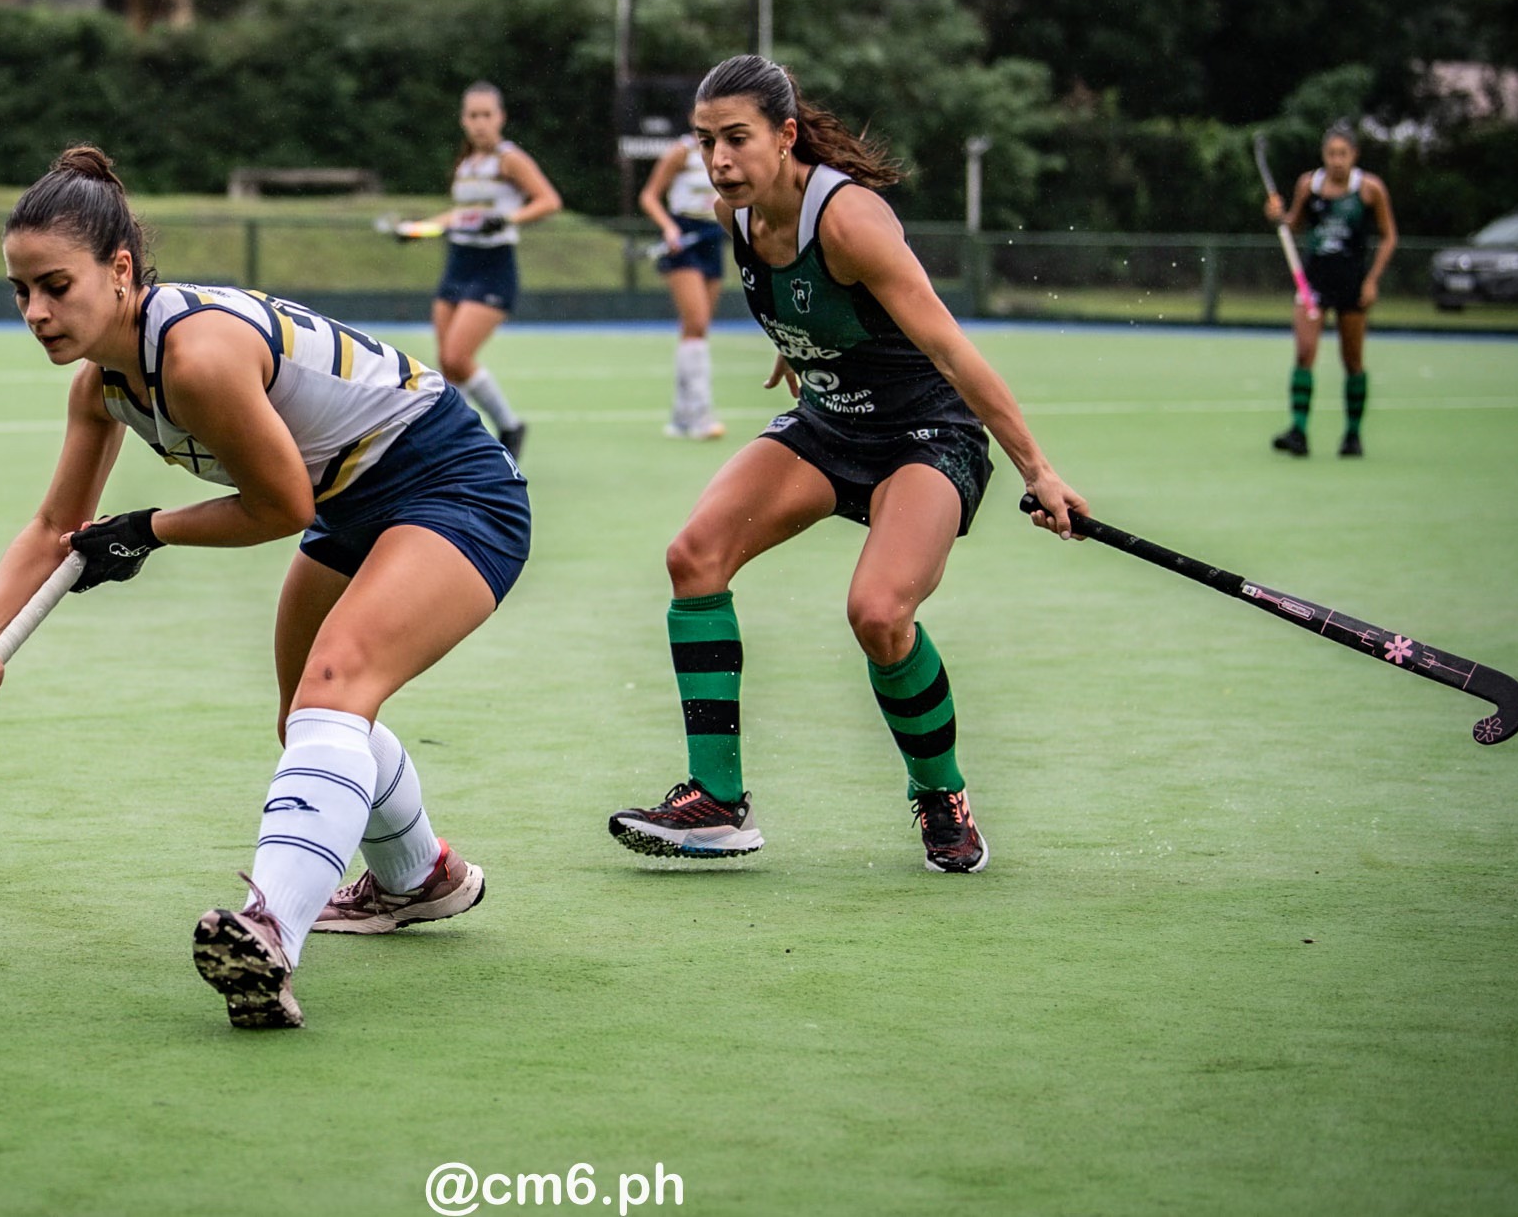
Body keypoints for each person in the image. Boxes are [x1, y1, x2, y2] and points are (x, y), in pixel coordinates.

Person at [0, 146, 531, 1029]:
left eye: (55, 286)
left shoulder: (196, 356)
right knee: (311, 720)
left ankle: (268, 932)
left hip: (451, 484)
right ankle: (421, 878)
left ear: (119, 270)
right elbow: (55, 527)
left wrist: (148, 529)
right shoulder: (103, 386)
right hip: (353, 501)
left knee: (333, 691)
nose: (36, 313)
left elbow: (282, 506)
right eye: (21, 292)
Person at [606, 55, 1084, 873]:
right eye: (705, 141)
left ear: (786, 136)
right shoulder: (737, 215)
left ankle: (942, 794)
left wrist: (1038, 469)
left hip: (925, 434)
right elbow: (804, 300)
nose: (718, 160)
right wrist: (800, 349)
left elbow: (950, 350)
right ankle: (716, 802)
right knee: (695, 556)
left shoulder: (851, 220)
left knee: (879, 614)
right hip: (830, 426)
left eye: (736, 138)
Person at [430, 81, 562, 460]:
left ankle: (509, 426)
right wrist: (419, 229)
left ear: (500, 118)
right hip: (458, 263)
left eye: (486, 115)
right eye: (473, 115)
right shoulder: (466, 163)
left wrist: (507, 218)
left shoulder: (509, 159)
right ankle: (456, 446)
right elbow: (461, 215)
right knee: (447, 365)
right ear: (463, 120)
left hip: (493, 267)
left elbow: (549, 201)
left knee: (458, 357)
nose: (480, 123)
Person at [1263, 123, 1397, 458]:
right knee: (1304, 353)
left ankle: (1352, 435)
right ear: (1323, 155)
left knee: (1352, 360)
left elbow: (1389, 237)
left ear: (1354, 155)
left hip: (1352, 284)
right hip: (1313, 283)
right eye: (1331, 154)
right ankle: (1298, 432)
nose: (1337, 160)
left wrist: (1372, 280)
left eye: (1343, 154)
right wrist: (1277, 215)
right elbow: (1293, 225)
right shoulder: (1309, 185)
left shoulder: (1369, 189)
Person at [638, 131, 728, 440]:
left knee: (697, 330)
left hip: (713, 236)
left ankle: (680, 417)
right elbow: (649, 196)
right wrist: (669, 228)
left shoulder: (728, 151)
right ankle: (701, 415)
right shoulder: (681, 151)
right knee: (696, 322)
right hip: (683, 237)